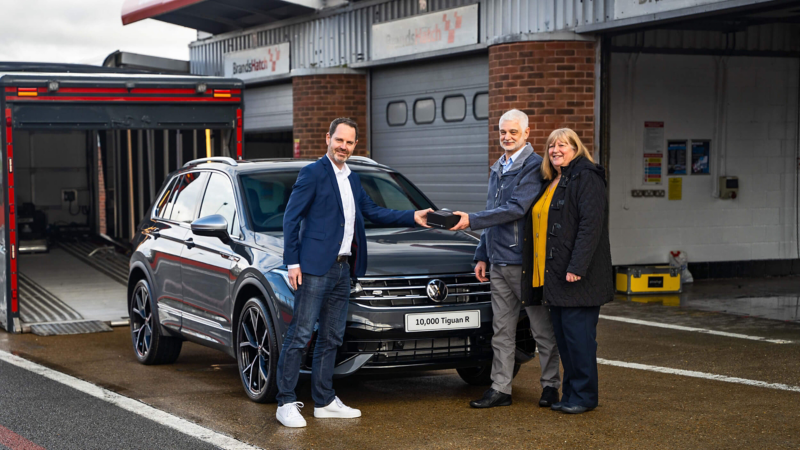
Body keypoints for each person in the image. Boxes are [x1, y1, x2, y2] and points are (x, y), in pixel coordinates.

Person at [277, 117, 433, 427]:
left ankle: (323, 400)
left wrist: (413, 216)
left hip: (343, 269)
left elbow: (374, 212)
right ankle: (285, 402)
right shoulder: (312, 173)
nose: (343, 146)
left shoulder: (352, 178)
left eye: (349, 142)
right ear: (328, 138)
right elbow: (291, 219)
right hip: (314, 269)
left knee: (332, 337)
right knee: (300, 335)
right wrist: (292, 263)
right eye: (339, 140)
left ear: (354, 145)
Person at [450, 109, 561, 409]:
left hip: (525, 264)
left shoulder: (535, 166)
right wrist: (482, 254)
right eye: (503, 132)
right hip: (498, 263)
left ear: (527, 133)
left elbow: (515, 208)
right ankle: (500, 389)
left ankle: (551, 387)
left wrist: (470, 220)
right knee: (502, 330)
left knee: (541, 329)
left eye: (513, 132)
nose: (507, 137)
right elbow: (492, 213)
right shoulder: (497, 167)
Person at [521, 128, 613, 415]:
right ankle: (572, 395)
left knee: (579, 340)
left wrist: (577, 267)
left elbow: (590, 226)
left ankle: (585, 397)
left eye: (563, 145)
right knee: (566, 340)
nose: (556, 150)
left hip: (577, 278)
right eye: (551, 146)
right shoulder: (555, 180)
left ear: (576, 148)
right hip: (556, 278)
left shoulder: (587, 177)